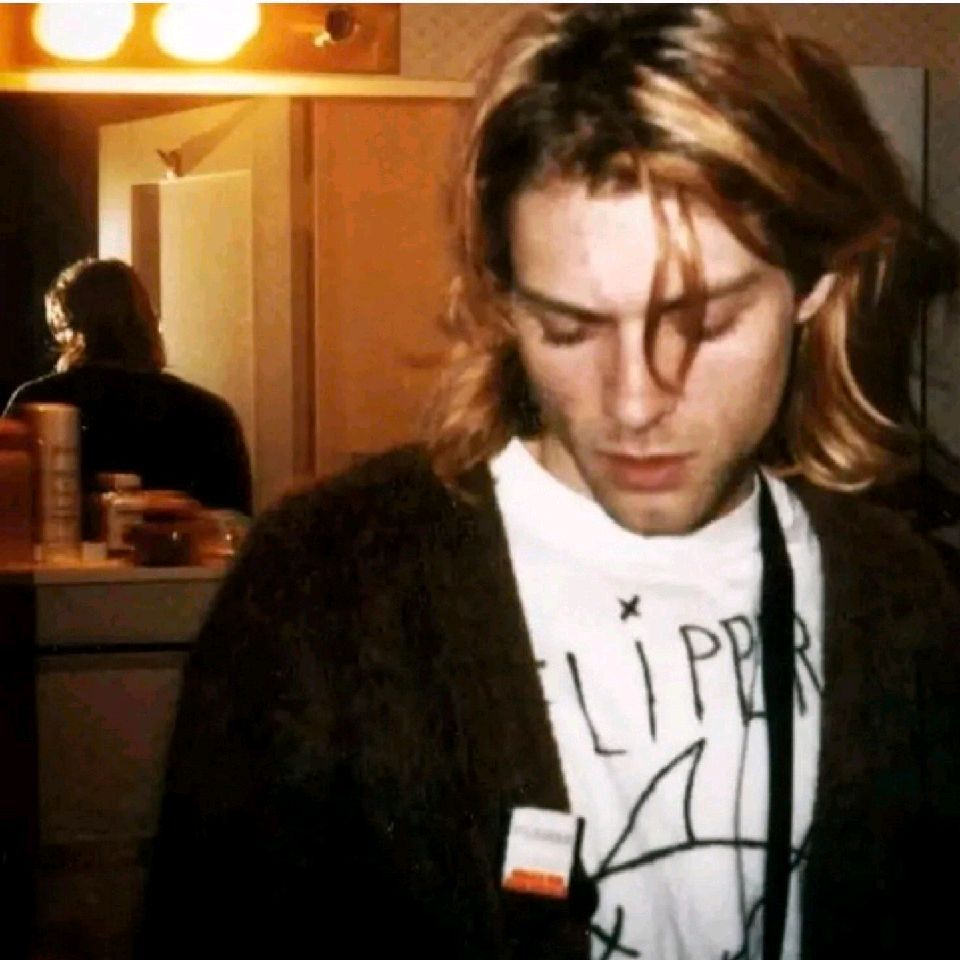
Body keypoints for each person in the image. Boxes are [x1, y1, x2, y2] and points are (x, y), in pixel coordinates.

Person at [139, 6, 960, 959]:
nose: (636, 401)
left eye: (705, 325)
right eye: (569, 328)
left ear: (813, 286)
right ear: (502, 302)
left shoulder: (903, 601)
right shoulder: (323, 589)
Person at [4, 257, 252, 515]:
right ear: (148, 320)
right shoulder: (207, 413)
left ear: (64, 325)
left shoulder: (36, 407)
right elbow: (237, 526)